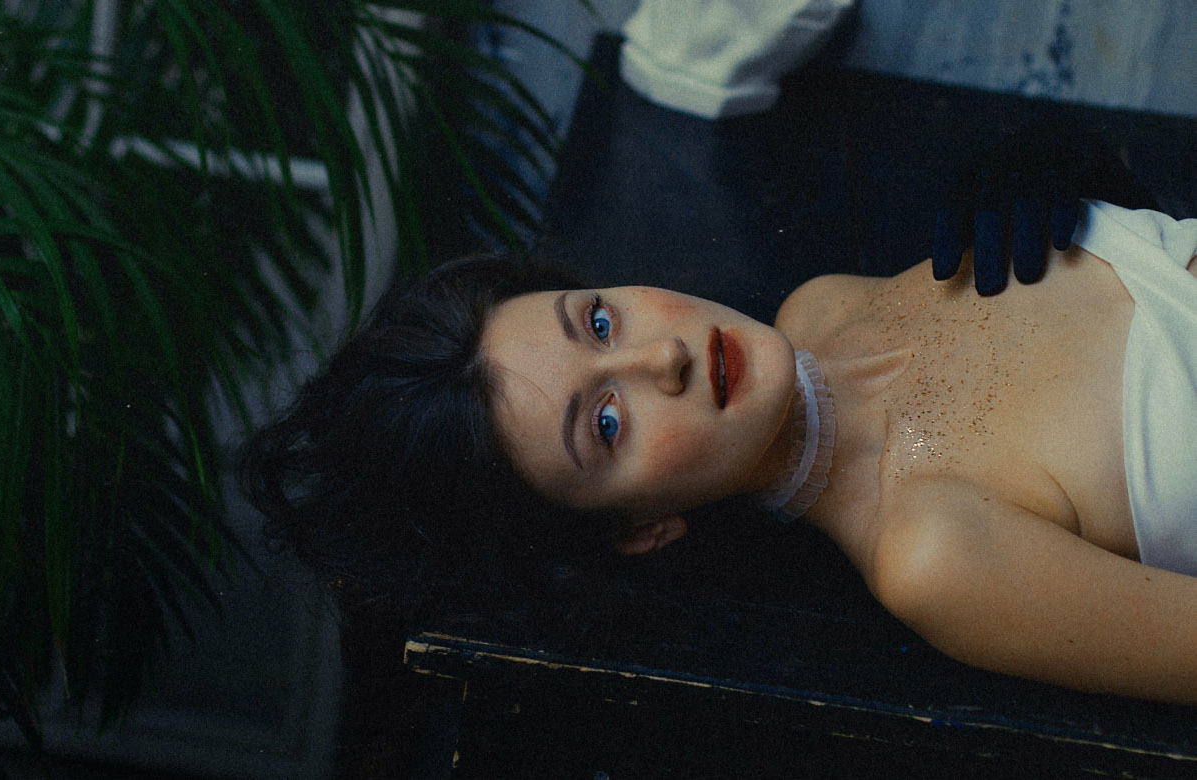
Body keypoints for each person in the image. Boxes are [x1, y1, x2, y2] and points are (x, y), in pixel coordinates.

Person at [243, 194, 1197, 705]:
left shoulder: (824, 306)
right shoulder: (936, 556)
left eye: (599, 321)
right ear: (640, 532)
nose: (660, 357)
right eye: (605, 424)